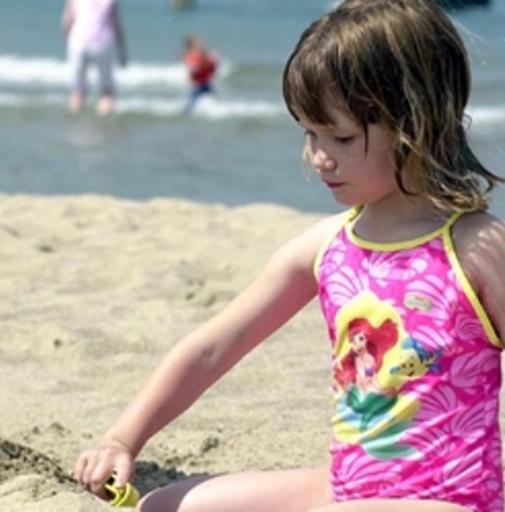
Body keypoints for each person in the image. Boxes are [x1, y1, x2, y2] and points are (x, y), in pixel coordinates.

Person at [73, 0, 505, 510]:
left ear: (416, 121)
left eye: (340, 137)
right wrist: (123, 437)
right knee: (162, 506)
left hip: (453, 502)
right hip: (348, 492)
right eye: (309, 133)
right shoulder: (327, 248)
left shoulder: (477, 247)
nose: (318, 156)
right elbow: (213, 347)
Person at [62, 0, 128, 116]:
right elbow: (116, 24)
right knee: (107, 91)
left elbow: (66, 22)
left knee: (77, 91)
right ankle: (104, 125)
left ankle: (75, 125)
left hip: (78, 43)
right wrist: (122, 50)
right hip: (104, 43)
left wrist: (70, 41)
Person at [182, 34, 218, 115]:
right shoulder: (192, 55)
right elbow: (193, 68)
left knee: (197, 98)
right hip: (200, 82)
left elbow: (210, 66)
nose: (199, 45)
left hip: (204, 82)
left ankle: (190, 110)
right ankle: (190, 110)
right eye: (196, 44)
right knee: (198, 97)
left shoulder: (202, 54)